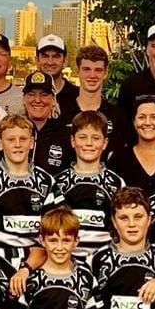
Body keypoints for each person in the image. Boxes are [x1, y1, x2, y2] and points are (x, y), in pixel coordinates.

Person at [39, 110, 121, 260]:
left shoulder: (116, 183)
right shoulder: (58, 183)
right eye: (82, 137)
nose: (89, 143)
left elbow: (121, 227)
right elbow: (48, 227)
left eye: (96, 138)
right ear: (72, 141)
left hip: (105, 260)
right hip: (65, 261)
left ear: (105, 143)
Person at [0, 115, 53, 266]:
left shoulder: (46, 181)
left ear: (31, 143)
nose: (17, 144)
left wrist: (29, 267)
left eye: (23, 139)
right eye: (11, 140)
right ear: (0, 144)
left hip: (38, 261)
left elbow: (55, 229)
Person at [112, 95, 155, 198]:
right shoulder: (119, 158)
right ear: (134, 122)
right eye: (142, 117)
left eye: (154, 117)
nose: (147, 123)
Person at [24, 71, 72, 175]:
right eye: (31, 94)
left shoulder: (65, 135)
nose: (37, 100)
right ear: (24, 99)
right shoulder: (12, 131)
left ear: (54, 100)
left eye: (44, 95)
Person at [35, 35, 79, 122]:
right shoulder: (28, 97)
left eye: (56, 56)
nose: (50, 62)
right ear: (36, 60)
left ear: (65, 61)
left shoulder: (78, 96)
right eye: (45, 56)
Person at [71, 45, 117, 125]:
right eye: (86, 69)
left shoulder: (117, 116)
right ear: (77, 71)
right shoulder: (60, 112)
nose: (92, 75)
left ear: (105, 73)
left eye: (98, 70)